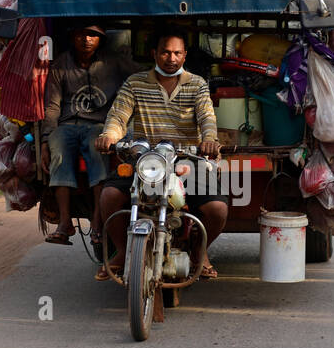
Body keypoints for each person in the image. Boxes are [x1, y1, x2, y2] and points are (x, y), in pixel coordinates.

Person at [94, 32, 224, 281]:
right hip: (144, 158)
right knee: (109, 196)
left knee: (217, 209)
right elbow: (119, 116)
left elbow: (207, 118)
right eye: (165, 52)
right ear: (154, 53)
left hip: (186, 159)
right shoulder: (135, 83)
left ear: (184, 55)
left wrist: (209, 141)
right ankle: (122, 252)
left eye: (177, 53)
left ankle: (200, 251)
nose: (171, 58)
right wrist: (109, 136)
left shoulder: (197, 84)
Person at [40, 24, 134, 245]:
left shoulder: (113, 61)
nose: (87, 39)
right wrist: (45, 140)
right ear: (73, 36)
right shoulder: (61, 64)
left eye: (93, 35)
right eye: (82, 34)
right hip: (67, 124)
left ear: (101, 39)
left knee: (97, 151)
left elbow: (140, 75)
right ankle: (65, 224)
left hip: (100, 125)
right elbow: (52, 106)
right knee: (59, 151)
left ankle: (98, 224)